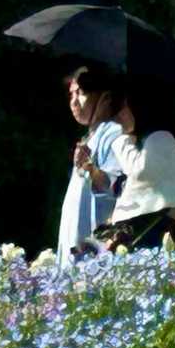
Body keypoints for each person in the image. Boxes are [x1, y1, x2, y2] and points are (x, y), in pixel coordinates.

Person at [96, 86, 175, 251]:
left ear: (139, 106)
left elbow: (138, 171)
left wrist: (121, 140)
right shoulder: (145, 140)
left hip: (153, 231)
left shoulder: (160, 139)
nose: (118, 118)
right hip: (142, 232)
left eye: (123, 108)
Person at [58, 66, 123, 266]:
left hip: (93, 259)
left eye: (81, 93)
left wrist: (90, 168)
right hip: (74, 254)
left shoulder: (113, 133)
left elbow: (114, 187)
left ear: (104, 97)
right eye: (71, 95)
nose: (74, 101)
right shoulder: (90, 137)